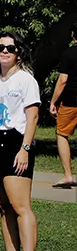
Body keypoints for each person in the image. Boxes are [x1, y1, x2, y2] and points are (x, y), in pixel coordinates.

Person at [0, 31, 42, 251]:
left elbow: (33, 117)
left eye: (10, 48)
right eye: (1, 47)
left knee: (21, 206)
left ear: (19, 52)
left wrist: (25, 149)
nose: (5, 51)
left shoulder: (26, 80)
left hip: (15, 141)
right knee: (3, 205)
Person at [48, 23, 77, 188]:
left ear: (73, 35)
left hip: (71, 101)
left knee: (62, 134)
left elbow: (63, 80)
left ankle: (67, 175)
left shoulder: (69, 54)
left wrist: (53, 102)